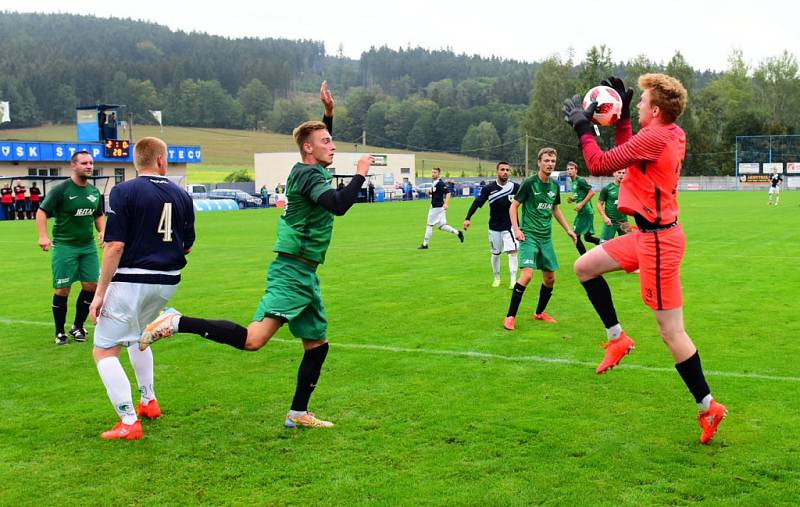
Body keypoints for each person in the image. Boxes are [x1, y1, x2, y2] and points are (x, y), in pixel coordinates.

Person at [139, 82, 366, 430]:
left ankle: (298, 413)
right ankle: (175, 322)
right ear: (309, 149)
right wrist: (360, 174)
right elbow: (338, 205)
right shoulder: (307, 174)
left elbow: (317, 147)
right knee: (253, 340)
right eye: (326, 142)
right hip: (292, 271)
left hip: (304, 273)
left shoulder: (310, 167)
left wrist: (328, 116)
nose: (332, 146)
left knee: (317, 344)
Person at [563, 74, 727, 444]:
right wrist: (620, 120)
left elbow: (600, 163)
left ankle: (708, 407)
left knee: (672, 332)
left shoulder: (655, 137)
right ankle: (617, 338)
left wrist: (583, 126)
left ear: (655, 110)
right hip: (647, 236)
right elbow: (633, 151)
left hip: (658, 244)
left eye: (640, 104)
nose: (635, 107)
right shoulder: (669, 133)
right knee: (584, 267)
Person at [86, 137, 195, 440]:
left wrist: (99, 295)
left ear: (138, 161)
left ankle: (128, 422)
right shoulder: (182, 195)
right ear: (161, 160)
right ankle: (149, 401)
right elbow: (186, 247)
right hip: (168, 281)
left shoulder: (124, 191)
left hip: (132, 280)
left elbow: (114, 247)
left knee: (104, 350)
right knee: (138, 338)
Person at [502, 148, 577, 330]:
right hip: (529, 236)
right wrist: (517, 230)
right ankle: (510, 317)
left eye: (552, 161)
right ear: (539, 162)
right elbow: (513, 207)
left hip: (546, 238)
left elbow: (555, 209)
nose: (550, 164)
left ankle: (539, 313)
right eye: (546, 160)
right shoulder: (529, 183)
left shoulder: (553, 186)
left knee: (550, 279)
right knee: (527, 275)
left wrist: (568, 229)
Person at [37, 151, 105, 345]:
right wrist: (43, 236)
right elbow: (42, 212)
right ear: (73, 166)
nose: (89, 166)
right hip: (65, 246)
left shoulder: (94, 192)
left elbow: (98, 214)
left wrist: (103, 231)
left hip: (88, 247)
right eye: (84, 163)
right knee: (62, 290)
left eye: (91, 163)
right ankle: (59, 332)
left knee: (91, 286)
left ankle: (78, 326)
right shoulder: (61, 190)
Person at [463, 161, 520, 289]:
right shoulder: (488, 189)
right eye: (502, 169)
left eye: (507, 170)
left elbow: (526, 202)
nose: (505, 172)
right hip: (494, 227)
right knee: (495, 253)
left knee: (512, 252)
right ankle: (497, 278)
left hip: (510, 226)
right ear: (497, 172)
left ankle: (513, 280)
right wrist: (468, 218)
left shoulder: (516, 187)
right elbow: (477, 203)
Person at [417, 167, 464, 249]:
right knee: (442, 225)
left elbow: (448, 193)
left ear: (438, 174)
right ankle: (458, 233)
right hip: (439, 208)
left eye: (435, 172)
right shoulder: (435, 182)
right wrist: (430, 192)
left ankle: (425, 244)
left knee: (429, 225)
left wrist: (446, 203)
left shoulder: (440, 183)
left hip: (436, 208)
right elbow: (433, 192)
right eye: (432, 172)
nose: (433, 174)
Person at [565, 162, 600, 254]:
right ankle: (606, 244)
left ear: (576, 170)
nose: (569, 171)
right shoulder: (573, 181)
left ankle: (584, 259)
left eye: (572, 169)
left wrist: (581, 204)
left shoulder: (580, 180)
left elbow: (592, 192)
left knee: (575, 236)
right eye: (568, 169)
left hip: (586, 212)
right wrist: (572, 199)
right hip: (583, 212)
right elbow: (580, 195)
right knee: (588, 238)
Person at [597, 169, 634, 242]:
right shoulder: (607, 188)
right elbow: (599, 204)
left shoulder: (627, 188)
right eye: (619, 172)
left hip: (624, 222)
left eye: (623, 173)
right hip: (610, 222)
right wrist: (605, 217)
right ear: (614, 174)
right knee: (603, 244)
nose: (621, 175)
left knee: (629, 245)